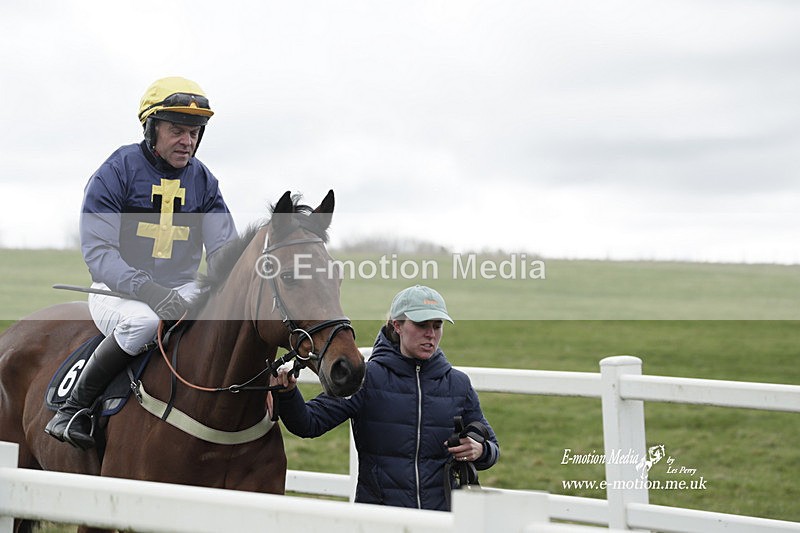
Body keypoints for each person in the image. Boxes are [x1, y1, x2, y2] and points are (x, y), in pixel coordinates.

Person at [45, 77, 238, 449]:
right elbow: (99, 254)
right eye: (177, 131)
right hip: (115, 289)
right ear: (151, 129)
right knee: (143, 322)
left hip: (181, 284)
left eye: (195, 133)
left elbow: (223, 252)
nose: (188, 142)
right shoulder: (116, 171)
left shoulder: (203, 180)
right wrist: (148, 289)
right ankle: (74, 408)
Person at [273, 284, 500, 511]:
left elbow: (491, 447)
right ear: (397, 325)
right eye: (421, 325)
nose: (430, 334)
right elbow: (309, 423)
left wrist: (480, 450)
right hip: (380, 519)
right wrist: (288, 394)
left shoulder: (458, 384)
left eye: (437, 325)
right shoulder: (367, 378)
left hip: (441, 520)